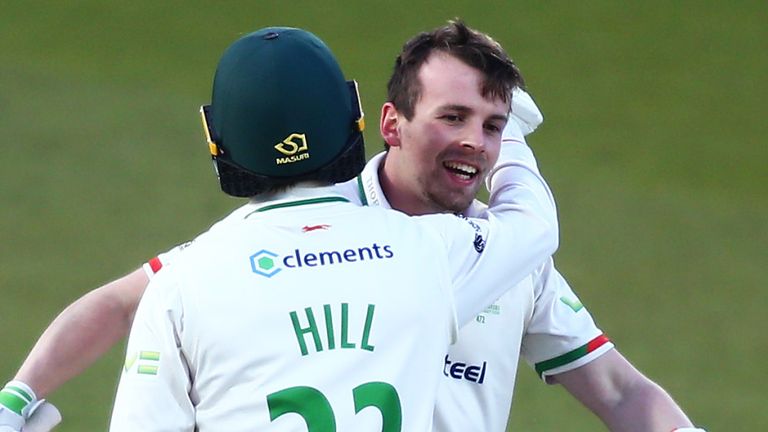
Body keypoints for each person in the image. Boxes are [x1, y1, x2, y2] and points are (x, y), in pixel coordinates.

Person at [0, 21, 703, 432]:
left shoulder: (497, 254)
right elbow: (120, 302)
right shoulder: (434, 248)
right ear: (388, 124)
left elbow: (620, 390)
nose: (475, 144)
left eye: (492, 125)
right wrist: (21, 392)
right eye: (452, 119)